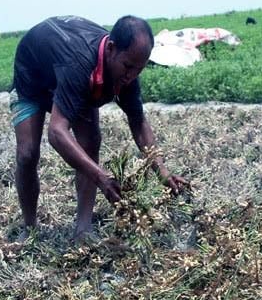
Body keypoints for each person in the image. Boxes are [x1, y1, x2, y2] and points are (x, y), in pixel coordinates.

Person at [10, 15, 187, 239]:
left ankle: (83, 229)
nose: (131, 76)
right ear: (111, 49)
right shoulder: (80, 64)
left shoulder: (128, 73)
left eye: (139, 69)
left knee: (91, 142)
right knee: (27, 154)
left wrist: (161, 170)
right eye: (127, 67)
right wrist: (101, 177)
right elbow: (56, 133)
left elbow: (139, 122)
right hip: (33, 77)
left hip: (72, 79)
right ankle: (30, 229)